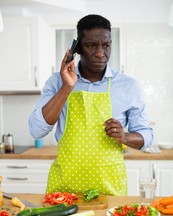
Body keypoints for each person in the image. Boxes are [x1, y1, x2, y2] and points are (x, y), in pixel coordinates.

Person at [29, 14, 153, 196]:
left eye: (106, 45)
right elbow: (36, 130)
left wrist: (125, 137)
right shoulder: (56, 82)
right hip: (64, 188)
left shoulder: (129, 86)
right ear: (77, 48)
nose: (100, 53)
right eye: (91, 45)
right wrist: (67, 87)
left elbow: (147, 136)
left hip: (110, 188)